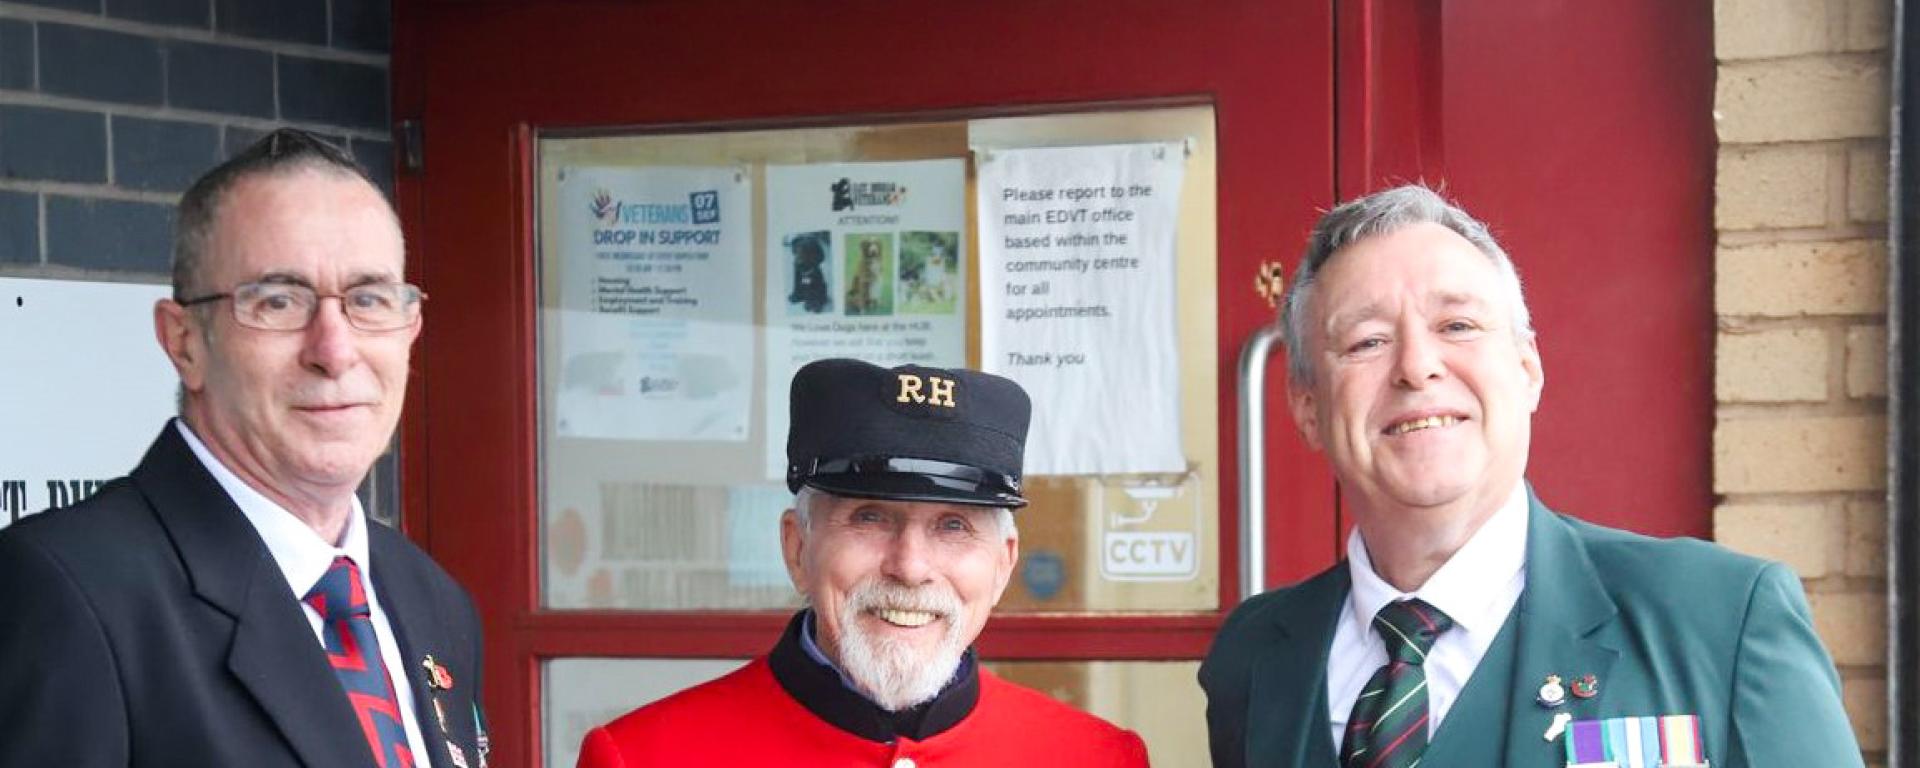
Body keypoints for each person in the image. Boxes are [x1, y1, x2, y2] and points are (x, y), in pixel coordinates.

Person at [1200, 185, 1862, 768]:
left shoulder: (1721, 620)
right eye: (1367, 341)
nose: (1417, 366)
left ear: (1528, 371)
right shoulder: (1254, 658)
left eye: (1457, 325)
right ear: (1309, 409)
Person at [0, 129, 489, 768]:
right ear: (184, 343)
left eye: (368, 299)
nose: (335, 349)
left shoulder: (433, 601)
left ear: (410, 330)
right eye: (279, 301)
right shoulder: (70, 595)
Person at [578, 358, 1149, 767]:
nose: (910, 566)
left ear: (1002, 565)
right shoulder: (642, 757)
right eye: (870, 518)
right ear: (796, 548)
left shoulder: (1099, 758)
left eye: (953, 526)